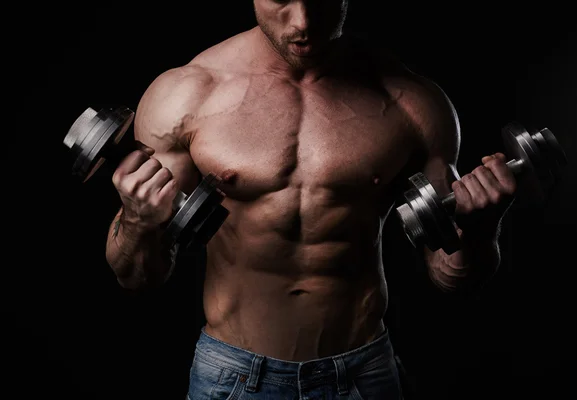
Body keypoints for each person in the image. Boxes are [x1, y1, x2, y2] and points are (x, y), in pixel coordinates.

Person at [105, 1, 517, 398]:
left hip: (362, 375)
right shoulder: (185, 95)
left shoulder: (412, 102)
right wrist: (139, 222)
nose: (303, 20)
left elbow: (451, 277)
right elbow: (137, 277)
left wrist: (481, 231)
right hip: (233, 376)